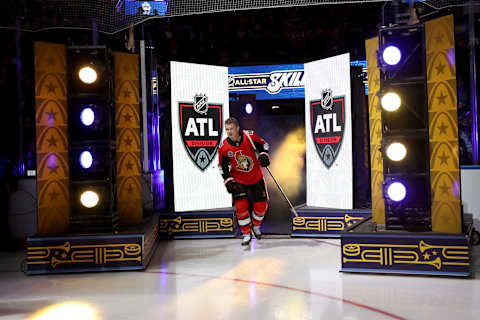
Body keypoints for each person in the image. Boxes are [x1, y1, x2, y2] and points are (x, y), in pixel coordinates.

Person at [218, 117, 270, 246]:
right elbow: (222, 166)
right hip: (239, 180)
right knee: (241, 207)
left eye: (231, 129)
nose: (229, 132)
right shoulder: (224, 147)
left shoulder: (250, 136)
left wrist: (264, 155)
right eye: (227, 129)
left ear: (237, 128)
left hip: (256, 177)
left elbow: (264, 144)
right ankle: (246, 234)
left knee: (262, 206)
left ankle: (256, 226)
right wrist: (228, 180)